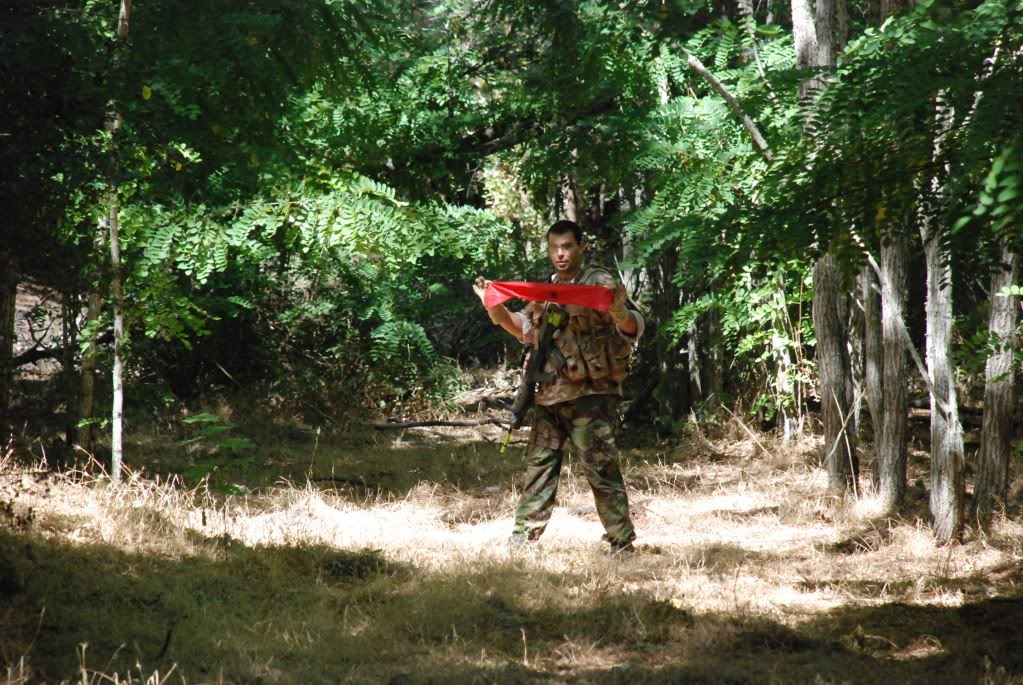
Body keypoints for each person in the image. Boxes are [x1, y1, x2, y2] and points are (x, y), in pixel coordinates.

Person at [474, 219, 643, 557]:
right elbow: (522, 327)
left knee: (601, 468)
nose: (560, 254)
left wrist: (618, 309)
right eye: (554, 248)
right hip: (549, 395)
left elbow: (633, 327)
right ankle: (523, 537)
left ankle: (621, 542)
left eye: (567, 247)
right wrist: (493, 304)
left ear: (581, 247)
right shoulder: (547, 291)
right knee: (540, 467)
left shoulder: (600, 283)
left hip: (590, 396)